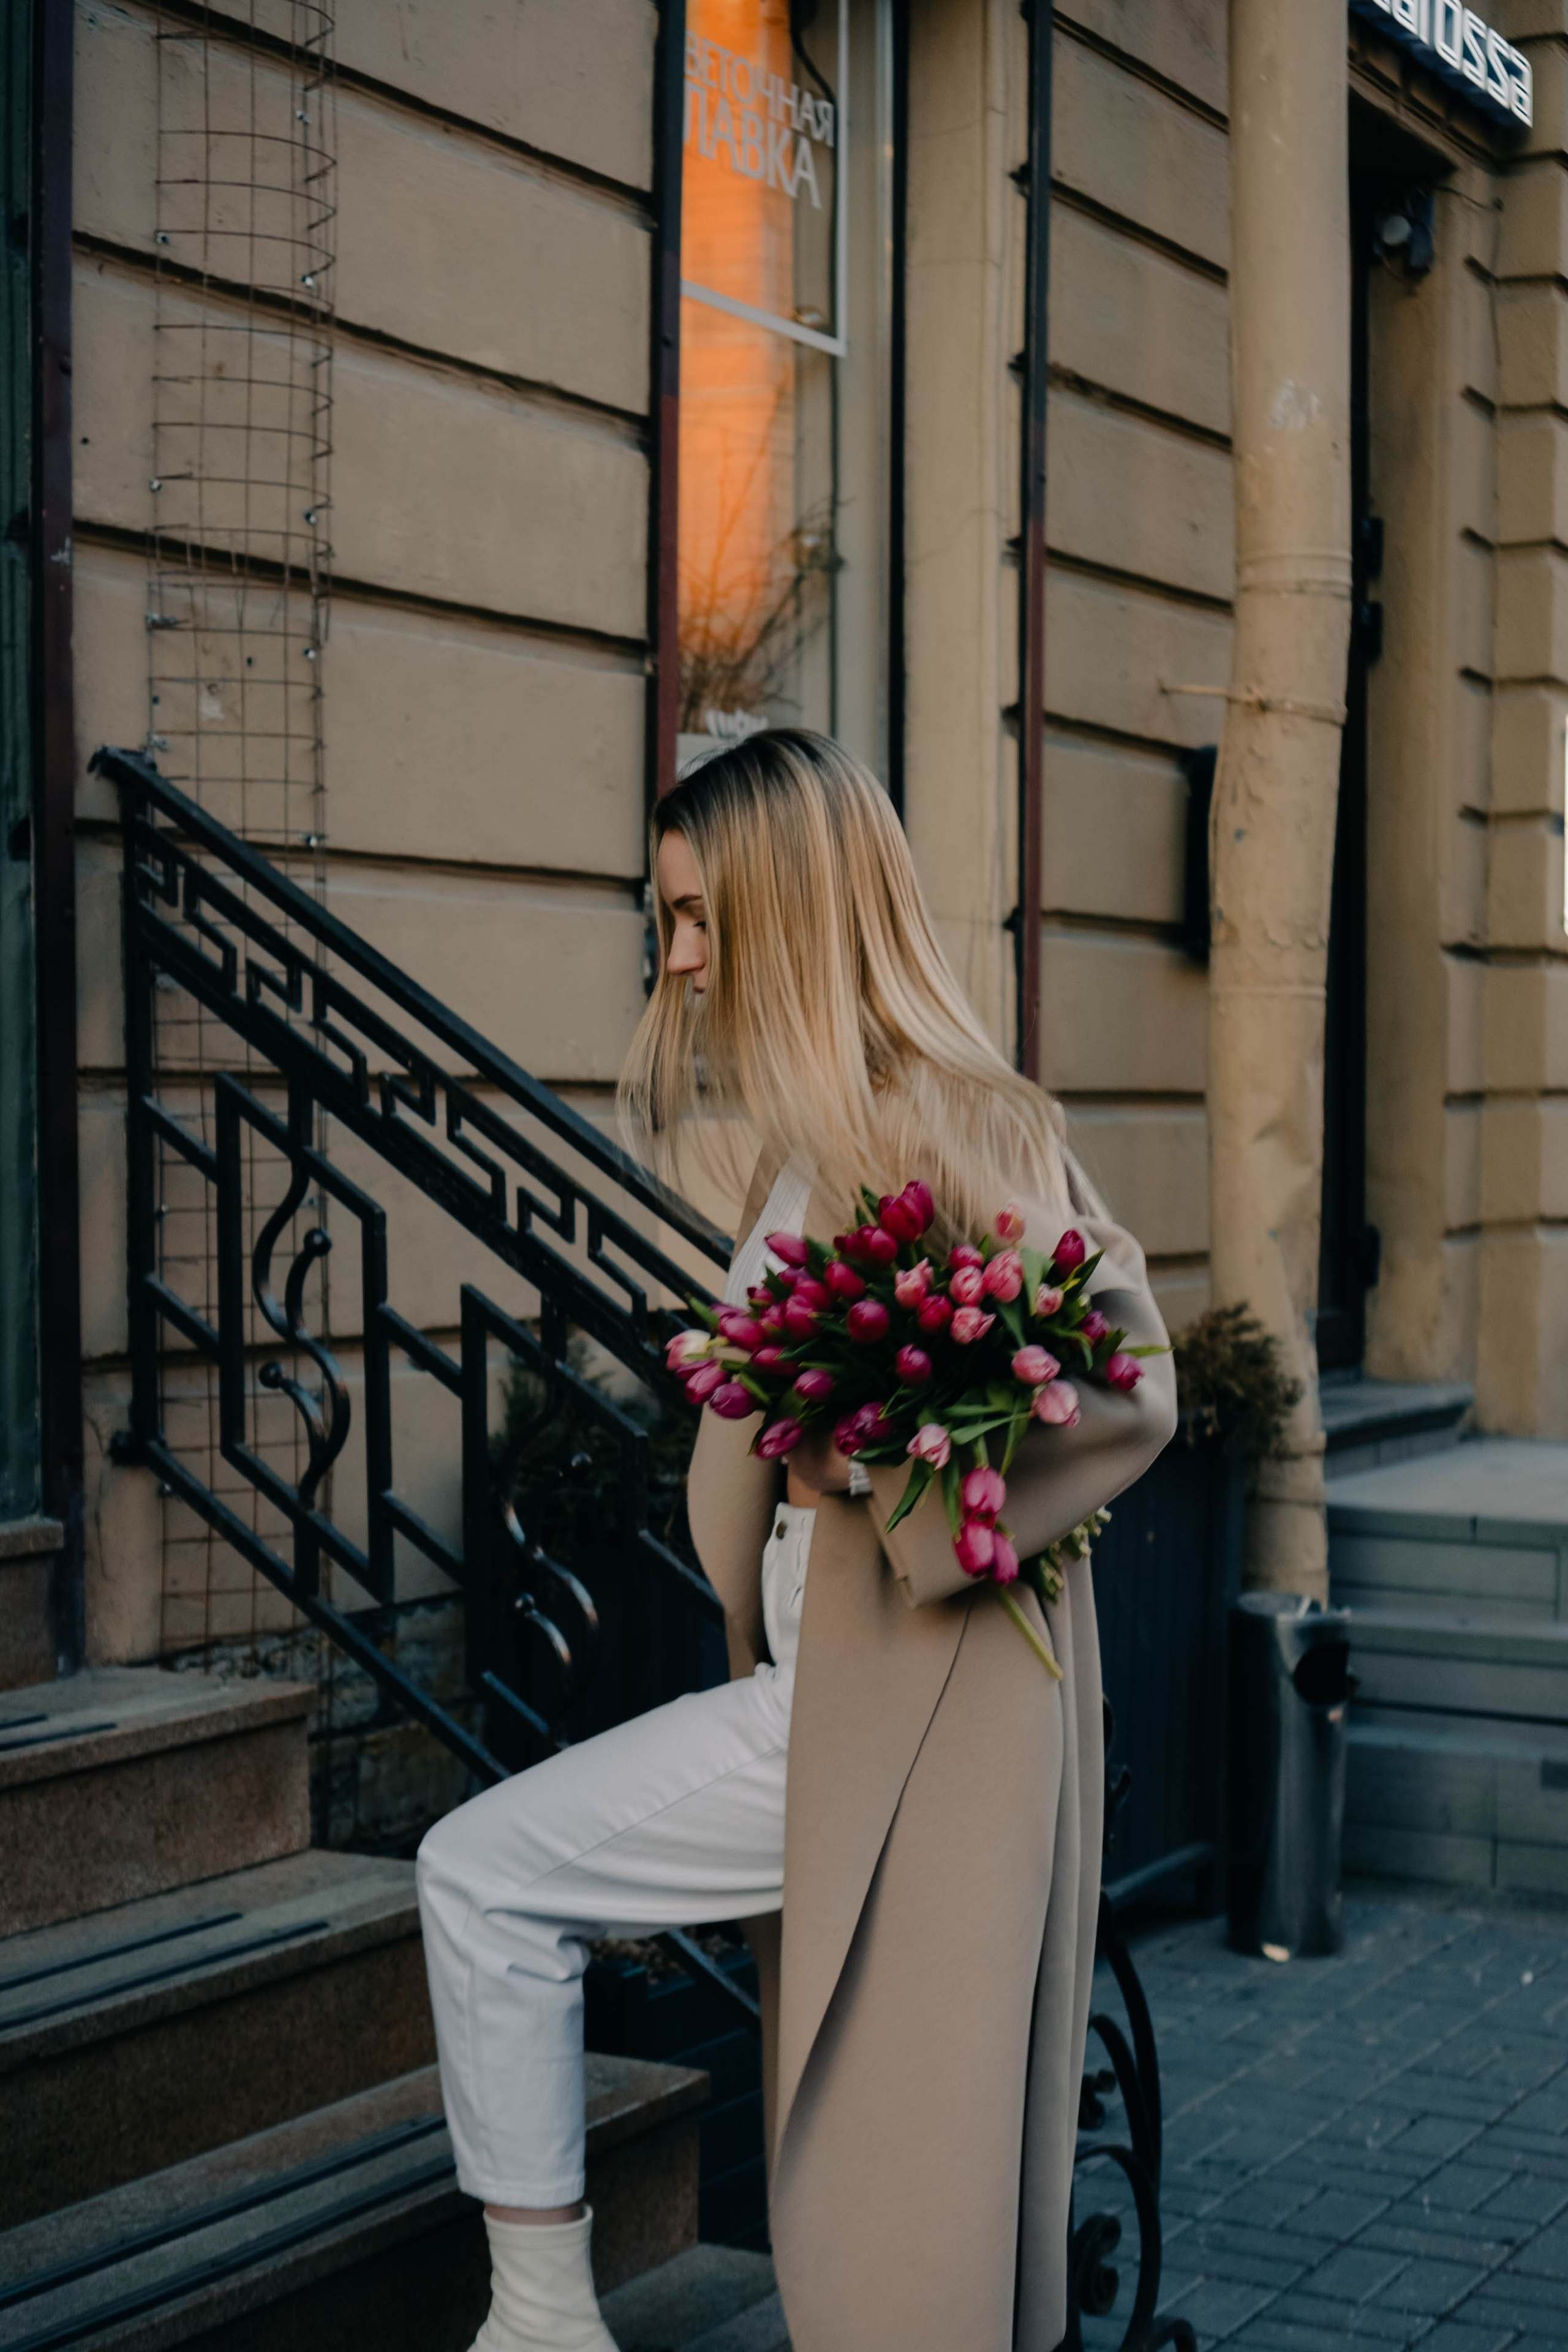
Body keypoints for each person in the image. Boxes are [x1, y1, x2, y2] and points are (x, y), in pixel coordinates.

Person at [415, 729, 1177, 2352]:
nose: (676, 960)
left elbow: (1129, 1377)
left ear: (792, 907)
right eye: (665, 921)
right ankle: (541, 2315)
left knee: (490, 1878)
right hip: (827, 1705)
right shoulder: (810, 1140)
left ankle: (541, 2322)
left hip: (901, 1719)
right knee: (879, 2171)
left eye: (698, 918)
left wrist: (888, 1473)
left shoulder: (959, 1119)